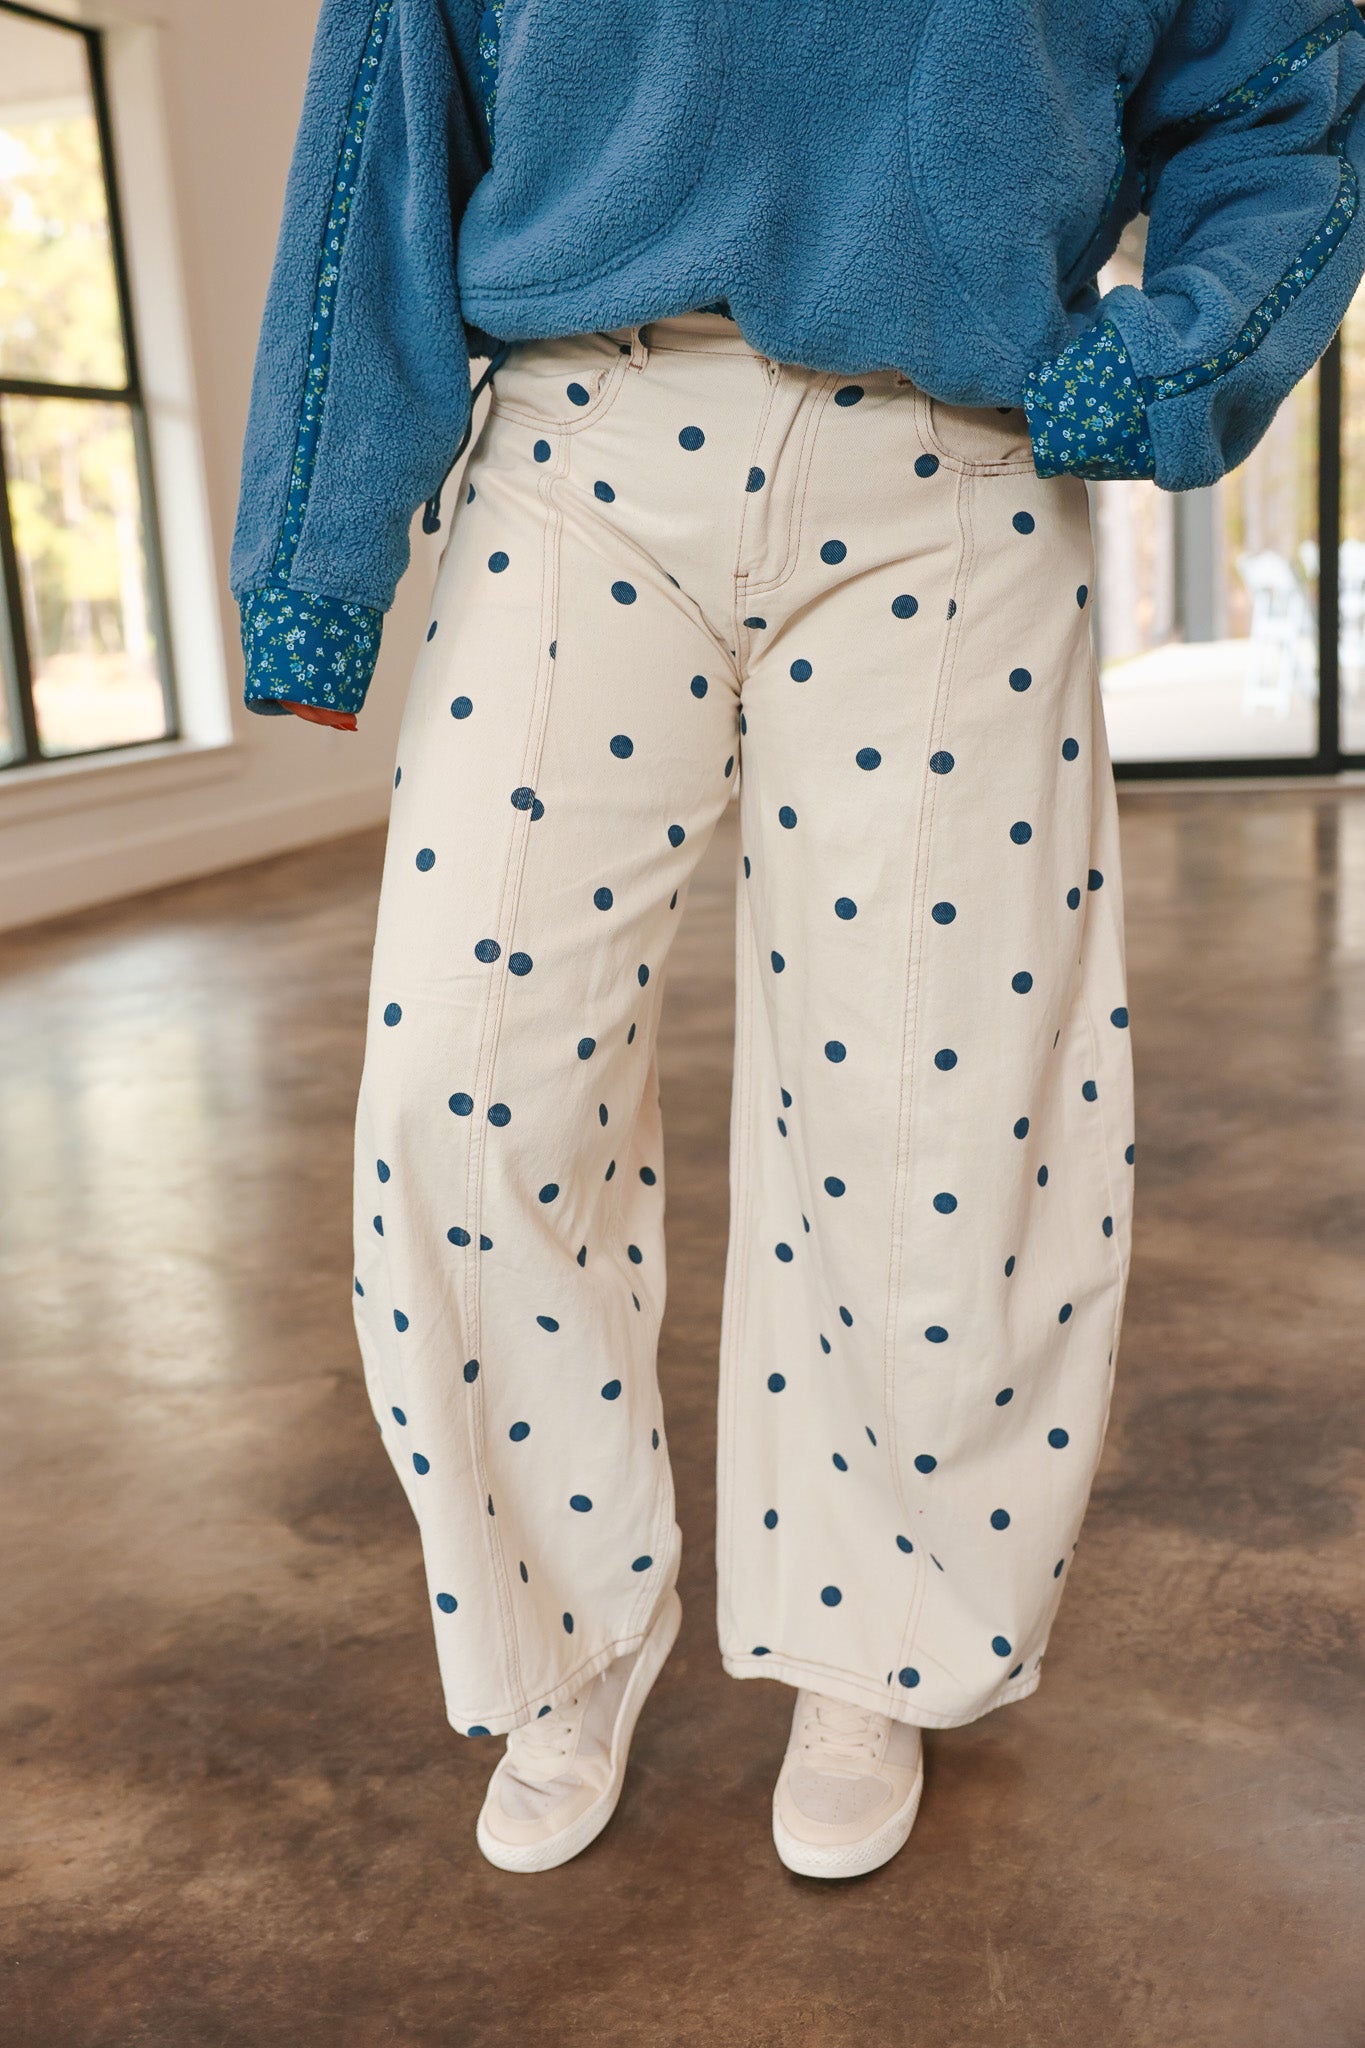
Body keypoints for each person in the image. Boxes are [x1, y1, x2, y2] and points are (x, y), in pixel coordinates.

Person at [232, 0, 1365, 1879]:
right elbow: (388, 120)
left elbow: (1277, 102)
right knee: (461, 1085)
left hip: (954, 463)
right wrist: (314, 553)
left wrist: (1160, 360)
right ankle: (558, 1639)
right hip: (575, 444)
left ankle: (873, 1637)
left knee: (938, 1116)